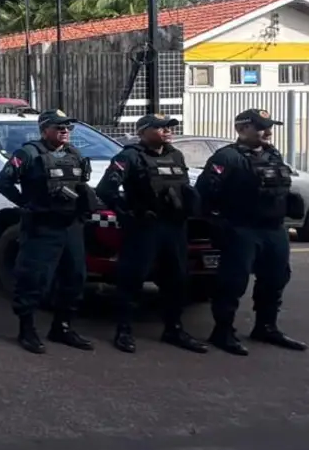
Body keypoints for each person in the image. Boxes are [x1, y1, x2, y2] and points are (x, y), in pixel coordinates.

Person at [195, 108, 306, 355]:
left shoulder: (273, 155)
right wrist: (218, 223)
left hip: (274, 229)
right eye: (261, 128)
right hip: (242, 229)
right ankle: (223, 332)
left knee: (275, 279)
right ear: (241, 129)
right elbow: (204, 193)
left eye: (269, 127)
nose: (268, 133)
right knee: (233, 283)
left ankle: (266, 327)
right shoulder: (227, 157)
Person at [95, 114, 207, 355]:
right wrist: (127, 214)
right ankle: (124, 331)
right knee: (132, 280)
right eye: (160, 127)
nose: (167, 131)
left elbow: (183, 187)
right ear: (143, 132)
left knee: (176, 279)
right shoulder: (129, 156)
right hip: (145, 228)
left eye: (169, 127)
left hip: (174, 228)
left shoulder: (175, 155)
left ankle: (174, 329)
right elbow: (106, 189)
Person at [0, 108, 98, 355]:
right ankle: (27, 329)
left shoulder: (74, 154)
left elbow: (81, 184)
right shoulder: (29, 153)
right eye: (59, 127)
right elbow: (3, 182)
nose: (65, 131)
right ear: (44, 130)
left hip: (70, 226)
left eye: (68, 127)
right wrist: (26, 204)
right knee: (34, 279)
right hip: (42, 226)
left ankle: (62, 327)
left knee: (74, 277)